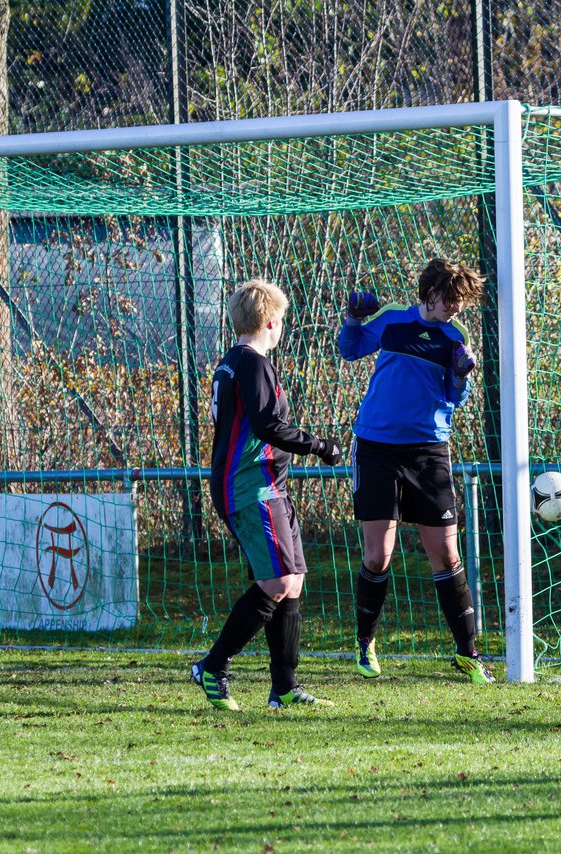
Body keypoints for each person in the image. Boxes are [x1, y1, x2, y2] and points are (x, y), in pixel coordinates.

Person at [338, 257, 493, 684]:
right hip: (376, 448)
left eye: (463, 301)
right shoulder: (391, 320)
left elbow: (453, 396)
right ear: (430, 292)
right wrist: (353, 319)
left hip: (428, 451)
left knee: (446, 554)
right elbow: (349, 350)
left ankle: (468, 654)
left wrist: (461, 376)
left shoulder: (455, 337)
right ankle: (365, 643)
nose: (457, 307)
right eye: (452, 298)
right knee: (378, 554)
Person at [191, 278, 343, 710]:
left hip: (265, 485)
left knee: (292, 582)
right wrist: (318, 445)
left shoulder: (232, 362)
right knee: (276, 581)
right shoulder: (252, 363)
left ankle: (285, 688)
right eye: (283, 322)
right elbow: (266, 426)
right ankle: (213, 666)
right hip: (249, 486)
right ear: (272, 322)